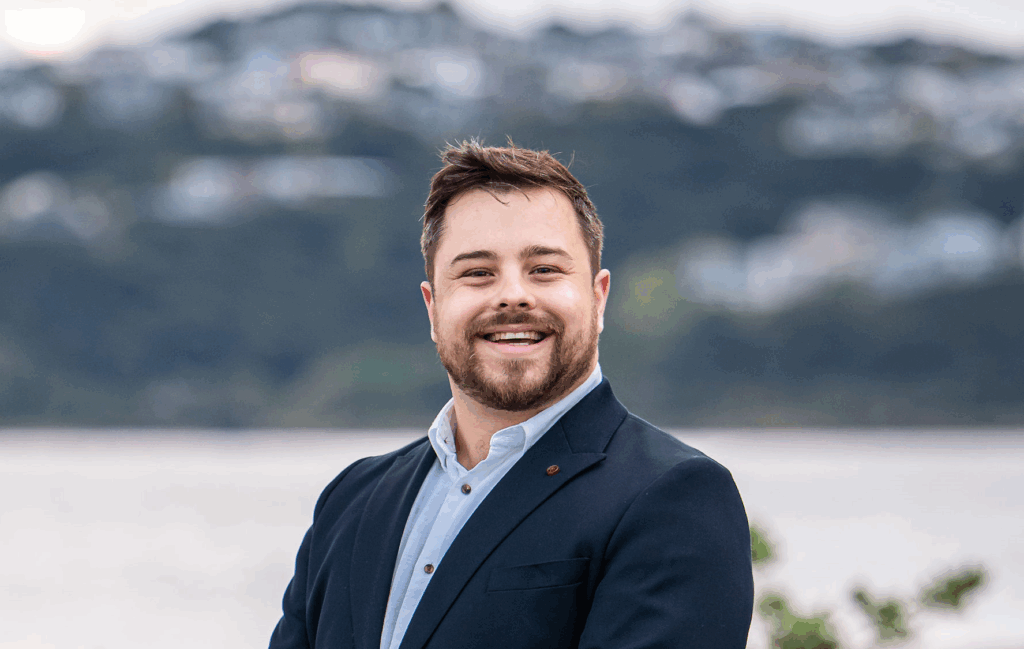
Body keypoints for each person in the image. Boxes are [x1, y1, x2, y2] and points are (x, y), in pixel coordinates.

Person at [269, 140, 754, 649]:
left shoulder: (674, 496)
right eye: (477, 273)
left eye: (544, 269)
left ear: (597, 297)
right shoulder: (353, 499)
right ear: (433, 309)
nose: (513, 294)